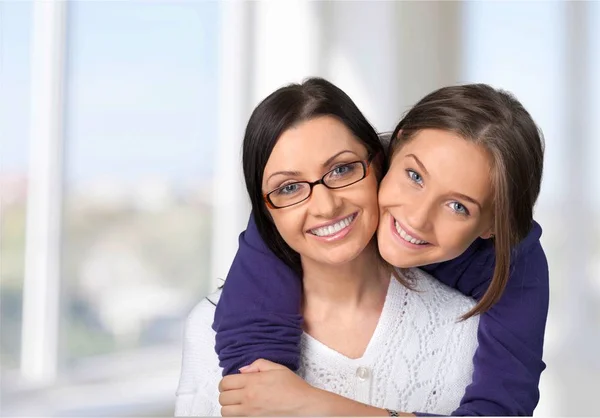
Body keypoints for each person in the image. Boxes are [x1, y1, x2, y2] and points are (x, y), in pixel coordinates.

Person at [177, 78, 549, 416]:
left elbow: (504, 408)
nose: (416, 218)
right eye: (414, 176)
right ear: (391, 154)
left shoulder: (506, 279)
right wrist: (260, 384)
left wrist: (314, 405)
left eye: (458, 207)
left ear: (492, 225)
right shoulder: (219, 318)